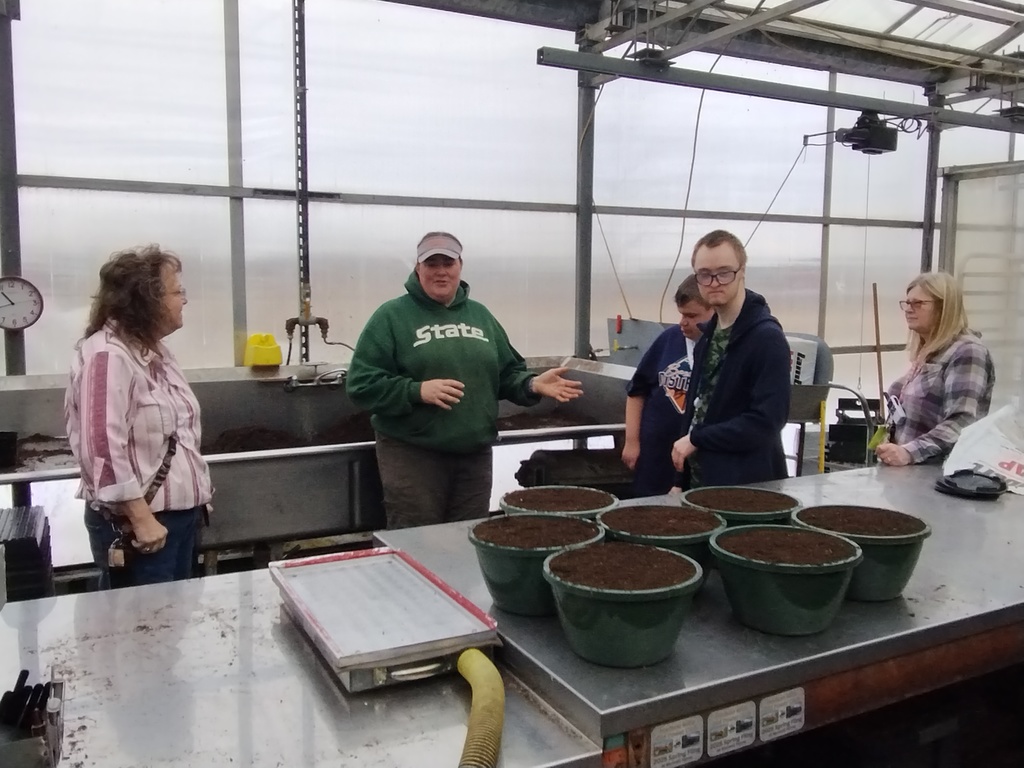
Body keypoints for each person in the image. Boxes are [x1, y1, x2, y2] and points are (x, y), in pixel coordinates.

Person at [346, 231, 583, 529]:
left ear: (460, 265)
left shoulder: (479, 315)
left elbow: (506, 372)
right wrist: (416, 391)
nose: (441, 271)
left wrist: (531, 384)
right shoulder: (392, 316)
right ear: (418, 268)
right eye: (432, 263)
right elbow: (361, 384)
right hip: (414, 455)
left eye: (448, 262)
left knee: (466, 537)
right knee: (419, 538)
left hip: (474, 454)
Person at [65, 245, 213, 589]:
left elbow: (177, 434)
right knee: (144, 619)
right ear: (147, 300)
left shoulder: (155, 353)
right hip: (142, 530)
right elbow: (102, 448)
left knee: (174, 616)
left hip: (173, 521)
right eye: (177, 292)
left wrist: (196, 495)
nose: (184, 300)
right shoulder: (108, 356)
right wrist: (141, 518)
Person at [671, 229, 791, 488]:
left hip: (747, 489)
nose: (714, 282)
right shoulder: (708, 335)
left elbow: (766, 423)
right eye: (705, 274)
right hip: (702, 484)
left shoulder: (766, 339)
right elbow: (697, 409)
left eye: (724, 272)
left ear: (742, 271)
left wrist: (698, 439)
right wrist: (680, 480)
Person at [875, 272, 995, 467]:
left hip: (938, 473)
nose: (908, 310)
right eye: (907, 303)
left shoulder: (968, 352)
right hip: (909, 472)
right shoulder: (929, 351)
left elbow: (962, 422)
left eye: (918, 304)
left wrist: (909, 452)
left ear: (943, 308)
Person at [621, 275, 714, 496]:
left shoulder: (721, 349)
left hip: (698, 458)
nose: (683, 322)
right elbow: (637, 391)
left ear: (715, 312)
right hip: (655, 457)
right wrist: (632, 441)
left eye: (692, 316)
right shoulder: (668, 340)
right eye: (681, 314)